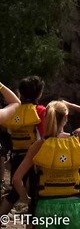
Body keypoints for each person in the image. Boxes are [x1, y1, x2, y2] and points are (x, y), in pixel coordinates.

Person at [13, 100, 80, 228]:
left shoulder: (39, 146)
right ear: (65, 117)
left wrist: (25, 199)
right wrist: (72, 105)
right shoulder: (76, 139)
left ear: (46, 117)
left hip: (46, 206)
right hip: (72, 206)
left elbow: (16, 179)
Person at [0, 75, 46, 215]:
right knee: (35, 192)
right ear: (39, 93)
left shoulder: (13, 112)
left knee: (14, 192)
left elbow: (7, 131)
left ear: (20, 92)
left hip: (16, 156)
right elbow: (45, 136)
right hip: (33, 159)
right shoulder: (40, 111)